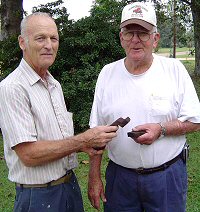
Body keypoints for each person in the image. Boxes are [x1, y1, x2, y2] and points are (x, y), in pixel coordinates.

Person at [0, 12, 118, 212]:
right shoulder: (12, 87)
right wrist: (82, 141)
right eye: (40, 38)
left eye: (53, 38)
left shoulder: (54, 84)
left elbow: (57, 141)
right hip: (37, 196)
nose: (49, 45)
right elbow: (28, 154)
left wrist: (82, 147)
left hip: (68, 186)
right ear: (22, 42)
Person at [88, 2, 200, 212]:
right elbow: (97, 132)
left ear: (155, 39)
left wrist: (162, 129)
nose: (136, 40)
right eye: (129, 33)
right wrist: (94, 176)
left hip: (166, 178)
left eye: (143, 33)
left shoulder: (174, 70)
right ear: (121, 38)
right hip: (120, 180)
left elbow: (195, 120)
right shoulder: (107, 74)